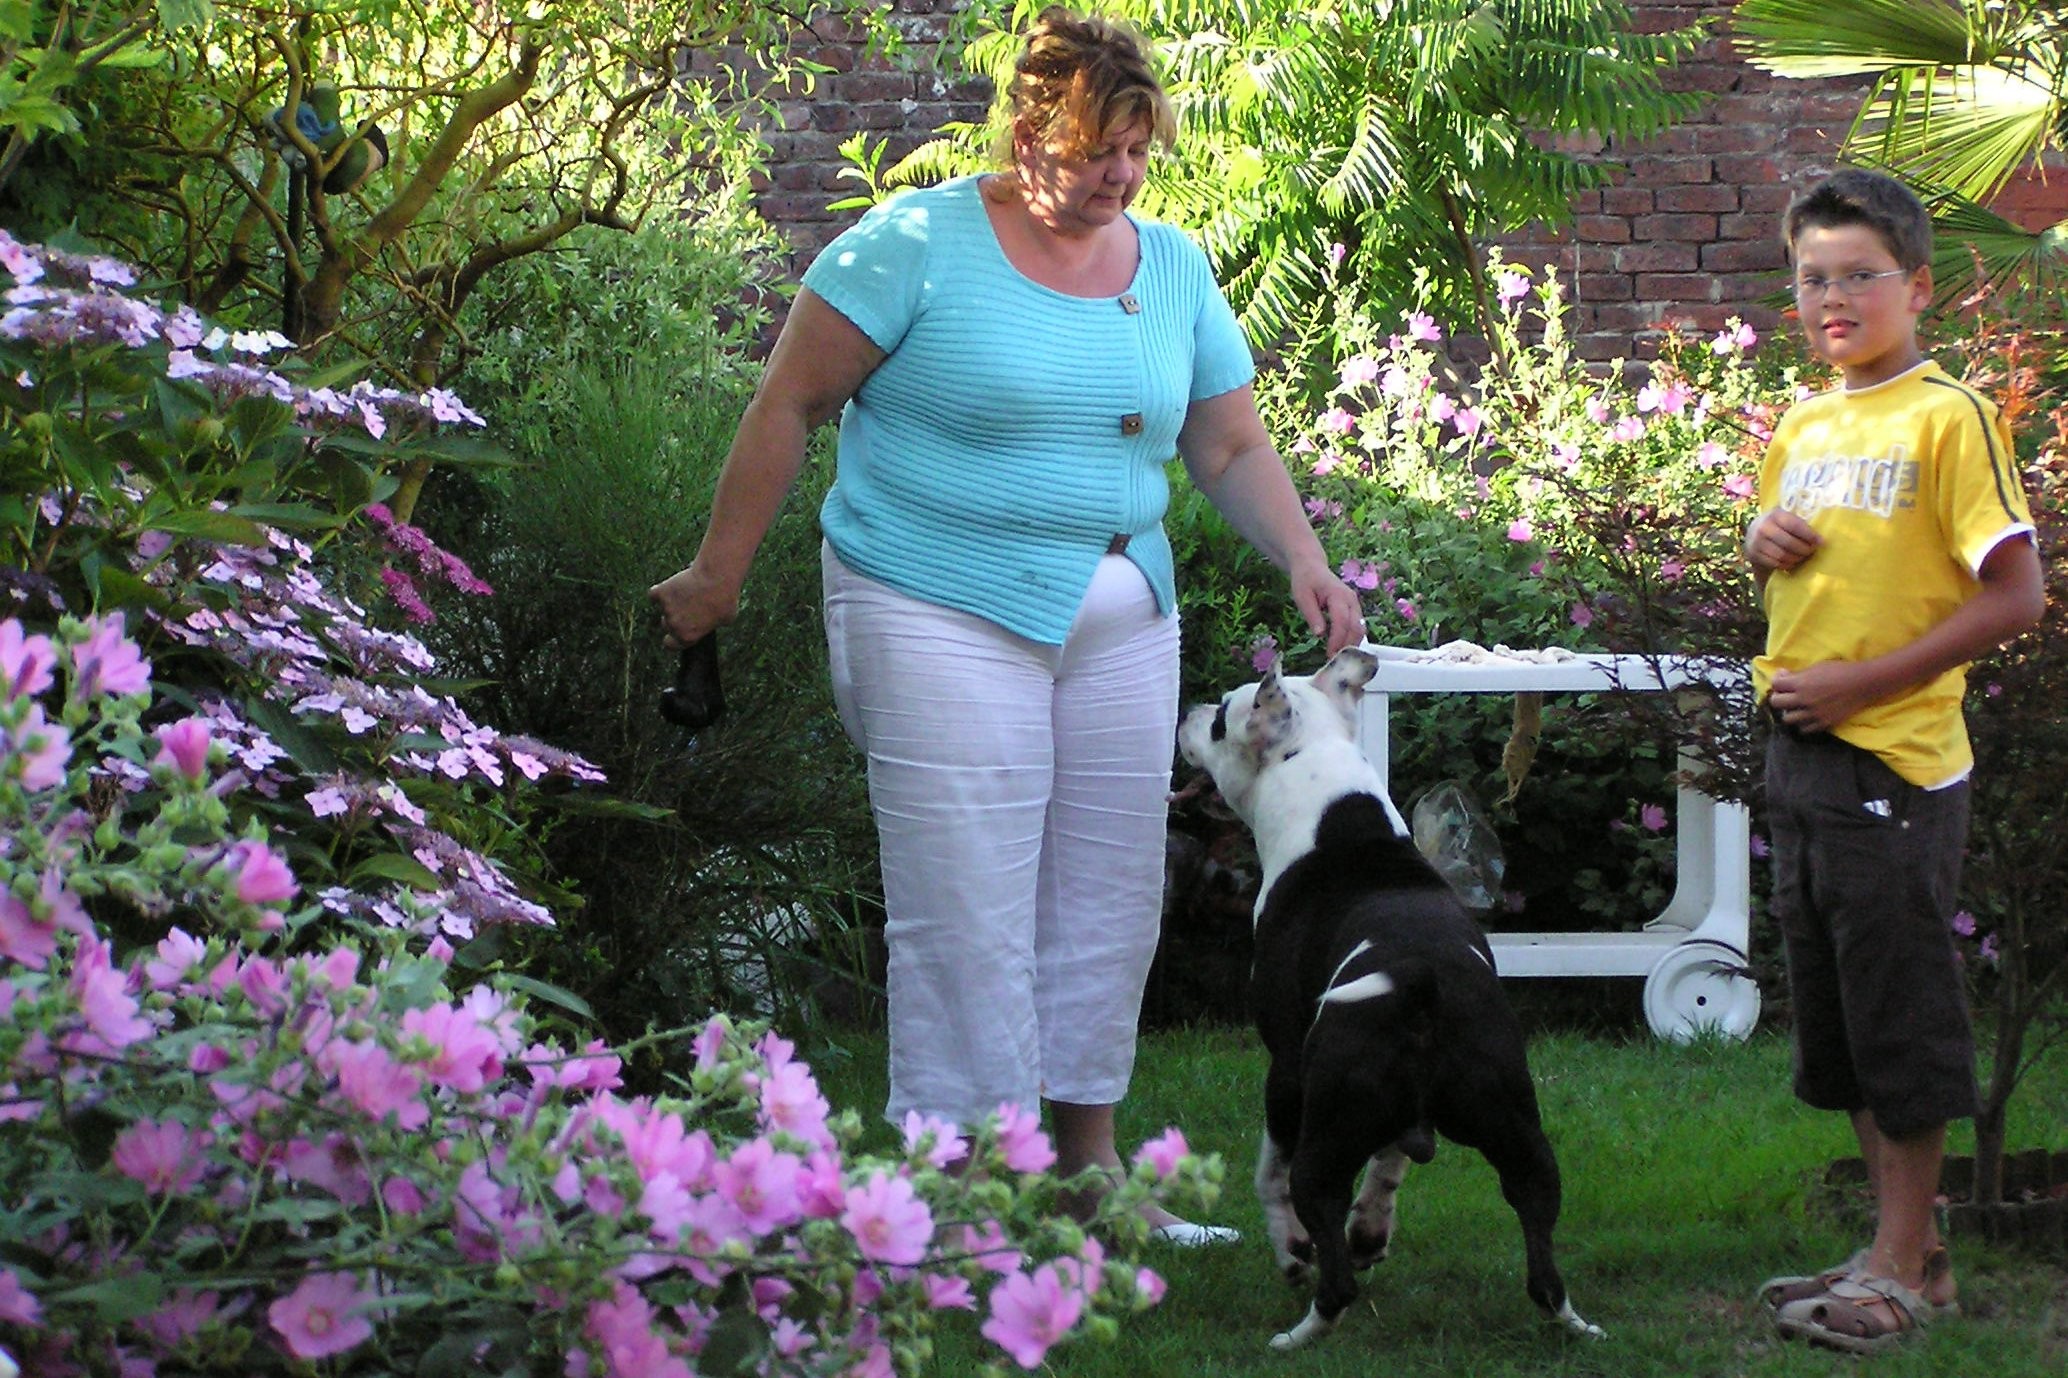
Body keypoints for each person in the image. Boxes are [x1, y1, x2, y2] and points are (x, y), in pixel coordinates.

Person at [648, 6, 1363, 1242]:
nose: (1120, 177)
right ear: (1029, 132)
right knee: (966, 903)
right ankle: (962, 1190)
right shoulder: (912, 244)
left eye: (1136, 152)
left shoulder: (1171, 266)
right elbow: (787, 403)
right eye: (1097, 152)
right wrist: (719, 572)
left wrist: (1303, 554)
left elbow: (1228, 444)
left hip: (1120, 617)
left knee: (1107, 900)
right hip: (932, 600)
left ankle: (1086, 1175)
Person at [1743, 167, 2045, 1353]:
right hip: (1802, 757)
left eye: (1858, 274)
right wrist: (1759, 537)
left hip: (1894, 764)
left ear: (1915, 287)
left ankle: (1902, 1270)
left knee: (1902, 1019)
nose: (1832, 296)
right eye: (1811, 276)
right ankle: (1901, 1251)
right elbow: (1815, 569)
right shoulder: (1805, 423)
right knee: (1846, 1025)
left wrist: (1861, 685)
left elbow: (2014, 595)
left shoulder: (1946, 415)